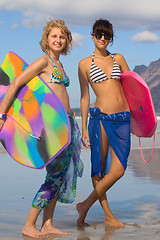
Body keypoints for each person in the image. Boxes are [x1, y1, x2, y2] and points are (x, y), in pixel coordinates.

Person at [0, 20, 83, 238]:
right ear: (47, 39)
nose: (58, 40)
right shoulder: (44, 62)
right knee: (54, 177)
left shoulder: (60, 65)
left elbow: (57, 96)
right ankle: (29, 224)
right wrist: (2, 114)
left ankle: (48, 224)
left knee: (60, 174)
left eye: (62, 37)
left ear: (67, 42)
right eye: (54, 36)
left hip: (67, 125)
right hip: (53, 131)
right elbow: (17, 82)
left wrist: (69, 113)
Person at [77, 19, 131, 228]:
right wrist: (83, 128)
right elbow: (84, 97)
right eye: (99, 35)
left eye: (106, 36)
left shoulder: (119, 58)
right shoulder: (83, 64)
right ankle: (108, 215)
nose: (102, 39)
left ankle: (85, 205)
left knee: (118, 170)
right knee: (99, 171)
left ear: (110, 38)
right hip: (100, 119)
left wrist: (143, 118)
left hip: (123, 119)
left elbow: (132, 86)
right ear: (92, 36)